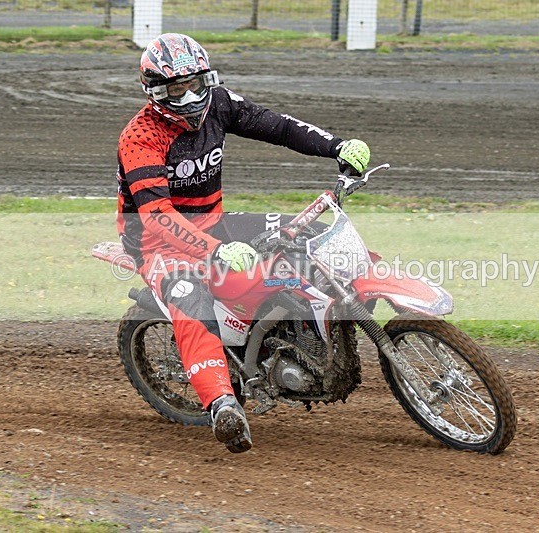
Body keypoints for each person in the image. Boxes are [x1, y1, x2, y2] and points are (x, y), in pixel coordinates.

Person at [116, 33, 370, 453]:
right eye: (178, 89)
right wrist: (214, 252)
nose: (191, 96)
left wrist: (336, 146)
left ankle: (305, 336)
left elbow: (278, 126)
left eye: (197, 83)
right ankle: (222, 405)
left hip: (214, 222)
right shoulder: (140, 138)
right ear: (156, 92)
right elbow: (157, 216)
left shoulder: (218, 103)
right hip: (155, 243)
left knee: (301, 234)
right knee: (191, 302)